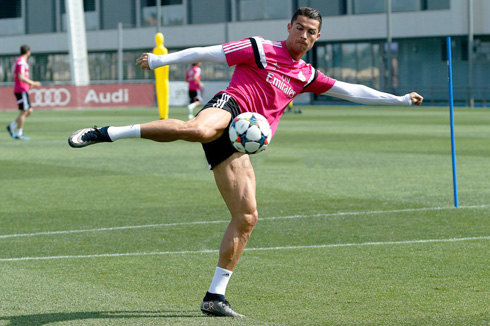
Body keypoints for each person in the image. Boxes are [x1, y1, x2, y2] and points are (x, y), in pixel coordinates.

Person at [68, 7, 423, 317]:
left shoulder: (306, 75)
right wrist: (161, 60)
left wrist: (400, 100)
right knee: (198, 130)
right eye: (299, 28)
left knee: (247, 217)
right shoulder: (259, 48)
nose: (303, 35)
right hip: (230, 107)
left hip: (243, 140)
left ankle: (214, 296)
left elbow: (351, 90)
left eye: (310, 32)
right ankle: (107, 132)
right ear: (289, 28)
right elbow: (207, 53)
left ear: (317, 38)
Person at [6, 45, 41, 140]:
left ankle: (12, 126)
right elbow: (21, 77)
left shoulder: (22, 61)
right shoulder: (21, 61)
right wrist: (32, 82)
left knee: (29, 110)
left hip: (23, 89)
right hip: (20, 89)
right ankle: (19, 133)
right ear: (28, 52)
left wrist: (29, 84)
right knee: (25, 111)